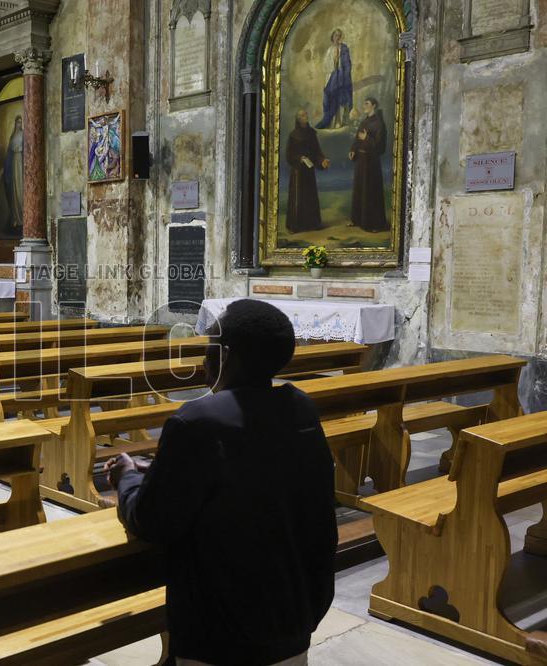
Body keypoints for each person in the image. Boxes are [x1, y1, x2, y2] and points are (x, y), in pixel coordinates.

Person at [104, 299, 337, 666]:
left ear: (225, 356)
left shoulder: (196, 421)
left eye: (208, 349)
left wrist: (128, 477)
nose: (203, 361)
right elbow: (257, 476)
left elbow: (152, 522)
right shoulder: (300, 408)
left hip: (221, 633)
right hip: (290, 621)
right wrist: (164, 469)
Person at [285, 109, 330, 233]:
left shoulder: (311, 133)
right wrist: (299, 157)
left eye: (306, 114)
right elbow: (289, 155)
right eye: (302, 115)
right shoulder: (293, 135)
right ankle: (296, 225)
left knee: (310, 196)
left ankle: (313, 223)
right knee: (299, 196)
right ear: (298, 119)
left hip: (309, 170)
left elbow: (316, 151)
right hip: (298, 172)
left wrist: (322, 160)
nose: (305, 116)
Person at [348, 97, 388, 232]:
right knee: (360, 189)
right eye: (364, 103)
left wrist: (367, 138)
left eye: (367, 104)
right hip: (361, 161)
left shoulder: (379, 124)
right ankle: (358, 220)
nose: (364, 106)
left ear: (374, 106)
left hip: (372, 163)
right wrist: (353, 150)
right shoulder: (364, 122)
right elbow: (357, 139)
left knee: (371, 192)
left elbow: (380, 147)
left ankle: (373, 224)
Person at [316, 29, 352, 129]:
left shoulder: (344, 49)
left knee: (340, 98)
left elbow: (348, 64)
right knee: (330, 97)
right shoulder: (329, 50)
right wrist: (334, 62)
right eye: (336, 35)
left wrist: (341, 71)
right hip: (332, 78)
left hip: (342, 78)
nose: (338, 37)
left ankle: (339, 121)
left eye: (339, 35)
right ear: (332, 37)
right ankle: (329, 121)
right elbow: (325, 66)